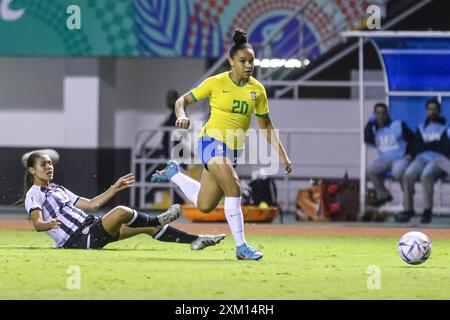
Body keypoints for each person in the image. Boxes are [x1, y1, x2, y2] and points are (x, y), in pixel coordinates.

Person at [151, 29, 292, 261]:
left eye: (251, 62)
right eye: (243, 61)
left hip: (232, 150)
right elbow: (182, 100)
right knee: (234, 187)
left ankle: (174, 173)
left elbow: (266, 125)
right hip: (211, 142)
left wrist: (283, 156)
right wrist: (181, 114)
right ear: (231, 62)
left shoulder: (257, 90)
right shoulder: (216, 83)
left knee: (205, 205)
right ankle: (242, 247)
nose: (248, 66)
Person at [22, 151, 225, 250]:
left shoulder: (59, 189)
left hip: (91, 228)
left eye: (50, 163)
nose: (49, 167)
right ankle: (157, 219)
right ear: (32, 170)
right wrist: (47, 224)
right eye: (43, 164)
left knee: (146, 228)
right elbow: (37, 223)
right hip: (77, 239)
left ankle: (196, 240)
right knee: (121, 212)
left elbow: (92, 204)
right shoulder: (34, 193)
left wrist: (114, 187)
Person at [398, 100, 448, 223]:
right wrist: (411, 154)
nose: (432, 111)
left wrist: (426, 145)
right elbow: (415, 145)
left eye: (435, 109)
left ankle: (427, 210)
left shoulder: (445, 128)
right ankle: (408, 209)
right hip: (422, 158)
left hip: (438, 159)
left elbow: (445, 147)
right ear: (426, 111)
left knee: (426, 175)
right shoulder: (421, 127)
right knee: (408, 175)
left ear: (439, 111)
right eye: (430, 109)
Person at [364, 103, 414, 206]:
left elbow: (414, 140)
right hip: (384, 159)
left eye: (383, 113)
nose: (381, 115)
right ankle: (384, 195)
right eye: (377, 113)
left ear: (387, 114)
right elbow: (367, 139)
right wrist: (369, 122)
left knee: (397, 173)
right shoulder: (374, 129)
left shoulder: (398, 125)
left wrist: (409, 154)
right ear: (374, 114)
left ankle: (408, 196)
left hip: (400, 158)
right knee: (369, 171)